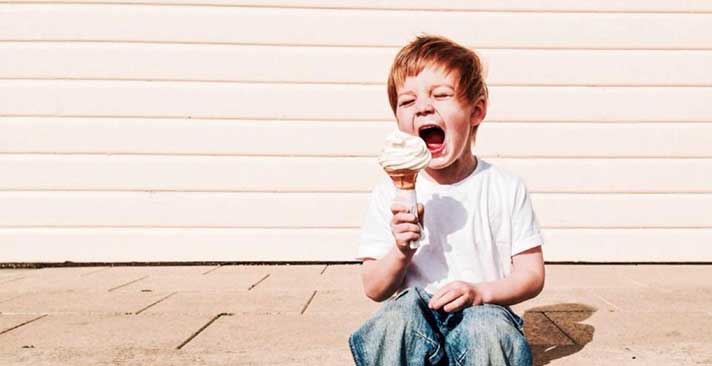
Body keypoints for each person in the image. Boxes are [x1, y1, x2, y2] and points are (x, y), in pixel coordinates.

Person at [348, 35, 545, 366]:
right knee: (394, 320)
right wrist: (401, 251)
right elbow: (374, 287)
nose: (424, 106)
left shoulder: (504, 187)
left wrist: (481, 293)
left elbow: (531, 274)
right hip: (416, 320)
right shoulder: (389, 192)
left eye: (441, 95)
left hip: (482, 310)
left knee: (487, 330)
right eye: (407, 101)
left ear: (476, 111)